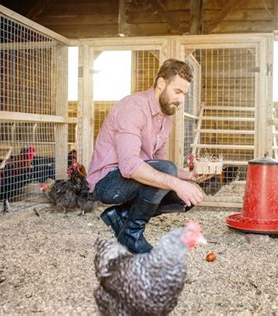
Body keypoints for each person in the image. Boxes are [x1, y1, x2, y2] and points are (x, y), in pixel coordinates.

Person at [87, 58, 211, 254]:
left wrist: (189, 177)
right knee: (171, 178)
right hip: (107, 183)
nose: (181, 100)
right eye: (177, 92)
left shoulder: (165, 118)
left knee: (183, 199)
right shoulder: (133, 108)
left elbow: (158, 163)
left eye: (184, 94)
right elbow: (129, 166)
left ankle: (120, 216)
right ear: (161, 83)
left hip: (131, 180)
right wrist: (176, 182)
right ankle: (131, 233)